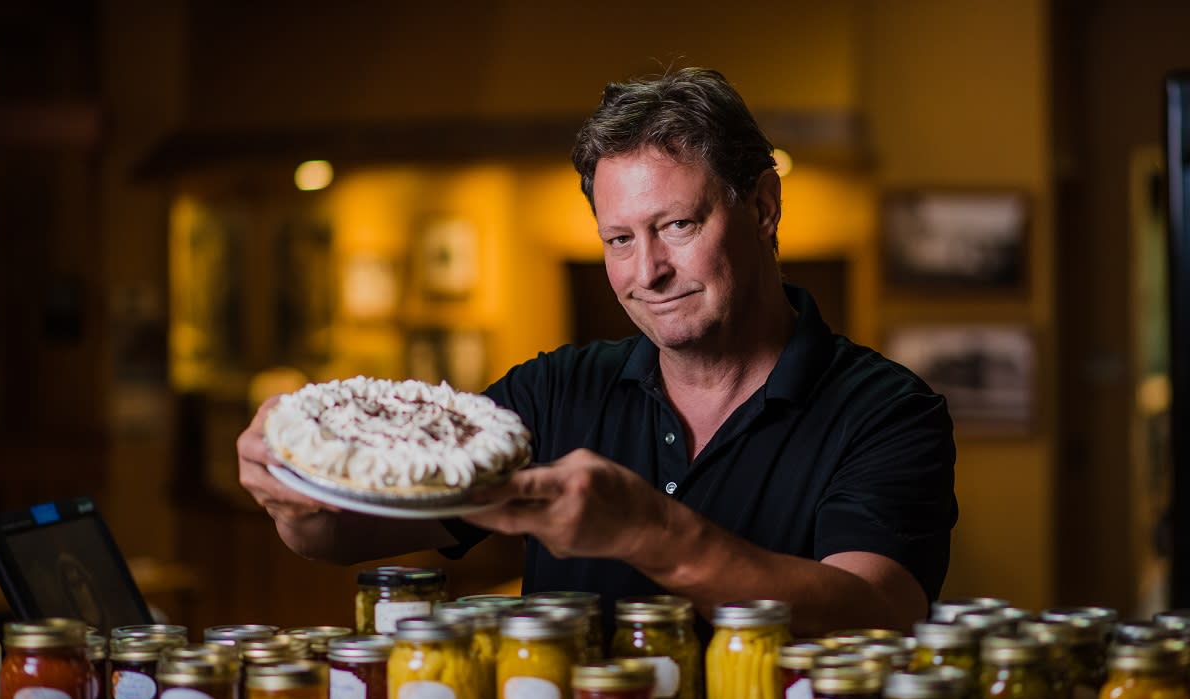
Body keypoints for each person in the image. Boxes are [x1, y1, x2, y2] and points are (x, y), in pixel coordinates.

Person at [237, 67, 957, 641]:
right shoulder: (553, 392)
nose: (647, 272)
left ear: (764, 206)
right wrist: (293, 491)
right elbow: (345, 533)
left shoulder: (886, 411)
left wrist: (650, 531)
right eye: (619, 240)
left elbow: (878, 611)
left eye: (677, 225)